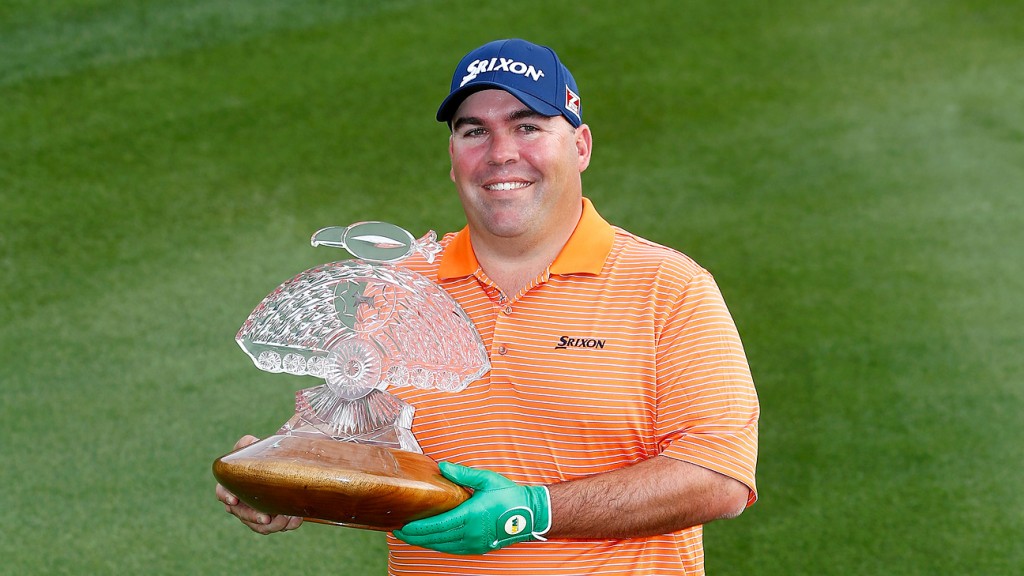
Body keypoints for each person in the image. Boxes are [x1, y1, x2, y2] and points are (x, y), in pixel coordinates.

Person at [217, 38, 759, 575]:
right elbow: (352, 442)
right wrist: (283, 478)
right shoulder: (398, 289)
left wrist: (531, 512)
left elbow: (719, 479)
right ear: (453, 159)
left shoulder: (669, 287)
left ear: (581, 146)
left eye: (528, 126)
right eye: (474, 131)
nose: (501, 153)